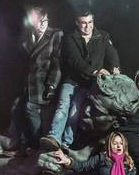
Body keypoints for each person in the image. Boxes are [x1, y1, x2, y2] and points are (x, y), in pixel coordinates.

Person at [42, 10, 120, 150]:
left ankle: (66, 143)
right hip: (72, 80)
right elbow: (74, 60)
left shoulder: (102, 36)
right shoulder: (70, 38)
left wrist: (115, 68)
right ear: (77, 23)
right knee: (63, 105)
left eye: (90, 22)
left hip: (89, 84)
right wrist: (95, 72)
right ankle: (53, 137)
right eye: (83, 23)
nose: (87, 26)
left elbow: (112, 53)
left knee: (75, 110)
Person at [18, 6, 62, 151]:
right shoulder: (27, 37)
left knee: (30, 107)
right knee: (18, 107)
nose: (44, 24)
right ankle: (26, 144)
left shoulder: (56, 35)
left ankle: (38, 145)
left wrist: (51, 86)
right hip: (29, 83)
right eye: (40, 21)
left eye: (46, 21)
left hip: (44, 83)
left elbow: (57, 65)